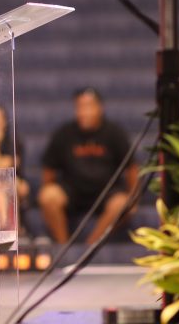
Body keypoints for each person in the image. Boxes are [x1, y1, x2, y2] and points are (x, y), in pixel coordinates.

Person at [39, 88, 137, 245]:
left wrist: (133, 197)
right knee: (48, 196)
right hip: (72, 191)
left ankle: (90, 246)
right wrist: (48, 187)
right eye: (80, 107)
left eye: (89, 106)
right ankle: (63, 247)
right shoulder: (64, 133)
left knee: (122, 203)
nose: (84, 111)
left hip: (107, 191)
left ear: (100, 108)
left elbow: (132, 167)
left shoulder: (114, 133)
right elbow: (49, 167)